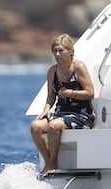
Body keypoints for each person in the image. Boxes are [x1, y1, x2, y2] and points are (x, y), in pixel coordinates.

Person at [30, 33, 95, 176]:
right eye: (55, 51)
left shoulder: (78, 67)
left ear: (71, 51)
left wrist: (71, 93)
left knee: (54, 126)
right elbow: (50, 97)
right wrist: (46, 110)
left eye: (61, 50)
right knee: (35, 126)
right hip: (60, 112)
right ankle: (49, 161)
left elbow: (90, 92)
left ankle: (53, 162)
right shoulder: (53, 71)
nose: (57, 54)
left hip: (81, 114)